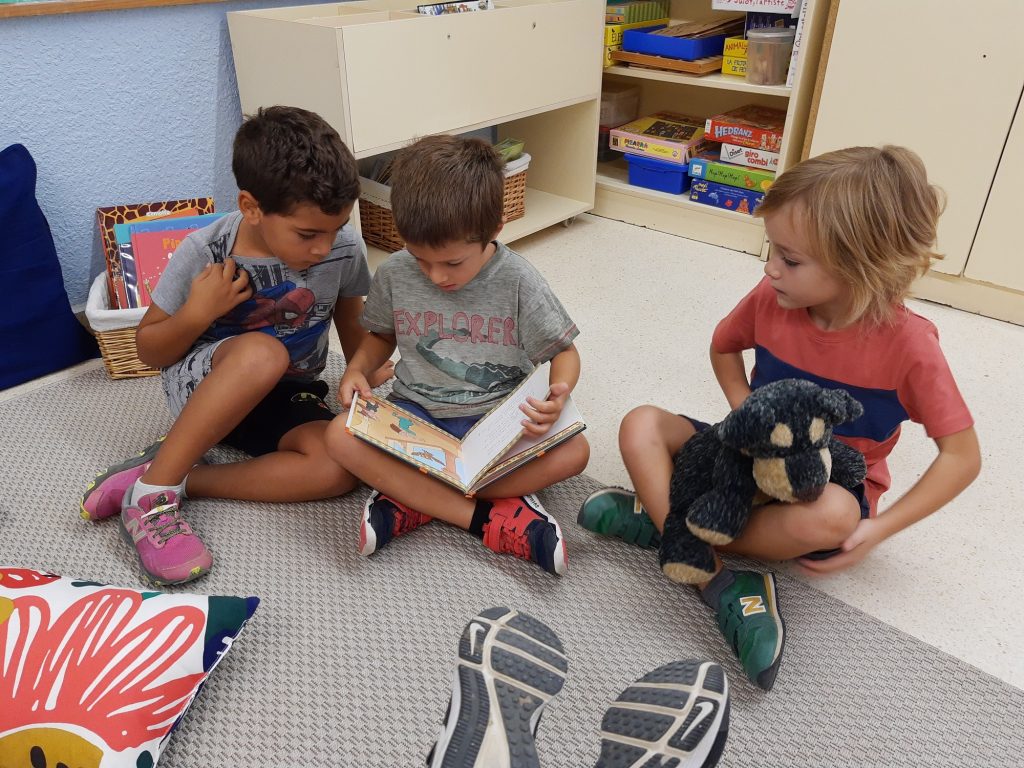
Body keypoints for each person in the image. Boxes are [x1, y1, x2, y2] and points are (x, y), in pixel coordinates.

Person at [579, 146, 981, 689]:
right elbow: (724, 346)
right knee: (640, 424)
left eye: (790, 260)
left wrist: (880, 528)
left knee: (834, 517)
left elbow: (962, 457)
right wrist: (745, 411)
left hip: (823, 484)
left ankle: (670, 526)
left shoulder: (910, 346)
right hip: (741, 459)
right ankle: (713, 573)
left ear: (861, 265)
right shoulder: (773, 296)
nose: (770, 269)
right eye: (772, 250)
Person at [81, 106, 393, 586]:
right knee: (263, 352)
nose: (323, 247)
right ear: (251, 207)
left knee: (339, 467)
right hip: (207, 388)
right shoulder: (206, 251)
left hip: (287, 392)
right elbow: (149, 350)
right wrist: (197, 313)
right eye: (308, 234)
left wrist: (362, 373)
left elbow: (351, 324)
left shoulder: (345, 248)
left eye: (335, 228)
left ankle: (180, 476)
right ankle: (151, 498)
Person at [325, 134, 589, 576]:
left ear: (495, 229)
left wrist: (557, 395)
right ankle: (485, 515)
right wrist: (357, 368)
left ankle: (415, 497)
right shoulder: (394, 273)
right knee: (338, 435)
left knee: (576, 451)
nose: (435, 276)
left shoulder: (518, 280)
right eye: (420, 258)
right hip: (417, 415)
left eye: (452, 263)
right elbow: (381, 336)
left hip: (496, 422)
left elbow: (564, 354)